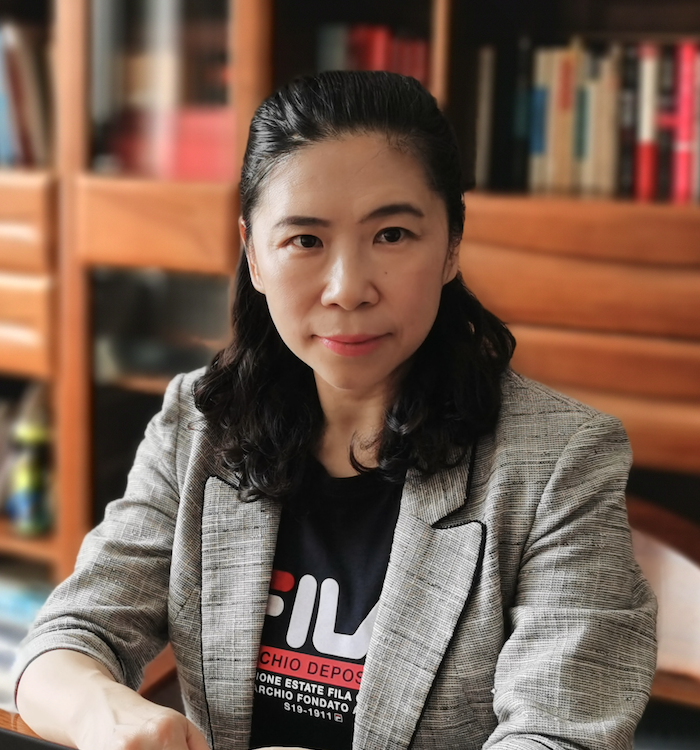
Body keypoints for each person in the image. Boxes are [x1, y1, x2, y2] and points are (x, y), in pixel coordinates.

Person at [14, 71, 656, 750]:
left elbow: (561, 734)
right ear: (253, 254)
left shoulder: (561, 462)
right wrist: (115, 720)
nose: (348, 290)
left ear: (451, 246)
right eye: (306, 240)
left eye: (392, 235)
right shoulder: (199, 423)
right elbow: (67, 638)